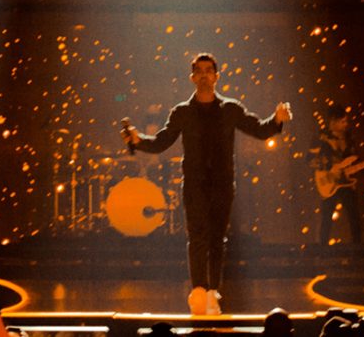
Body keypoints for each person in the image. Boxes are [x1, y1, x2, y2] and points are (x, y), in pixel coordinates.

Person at [121, 52, 292, 315]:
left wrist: (277, 119)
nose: (204, 75)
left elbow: (258, 128)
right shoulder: (182, 112)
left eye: (208, 70)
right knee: (198, 237)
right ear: (192, 77)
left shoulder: (230, 109)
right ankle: (199, 291)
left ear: (216, 76)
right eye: (199, 71)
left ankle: (213, 292)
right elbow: (161, 142)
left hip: (222, 183)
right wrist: (137, 140)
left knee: (216, 239)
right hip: (195, 185)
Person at [312, 108, 362, 245]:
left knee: (354, 215)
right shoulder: (321, 139)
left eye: (346, 121)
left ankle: (358, 248)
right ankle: (323, 248)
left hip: (346, 182)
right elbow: (310, 160)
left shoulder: (349, 139)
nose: (346, 124)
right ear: (333, 122)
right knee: (327, 217)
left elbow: (355, 160)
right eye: (343, 121)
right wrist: (329, 168)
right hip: (329, 183)